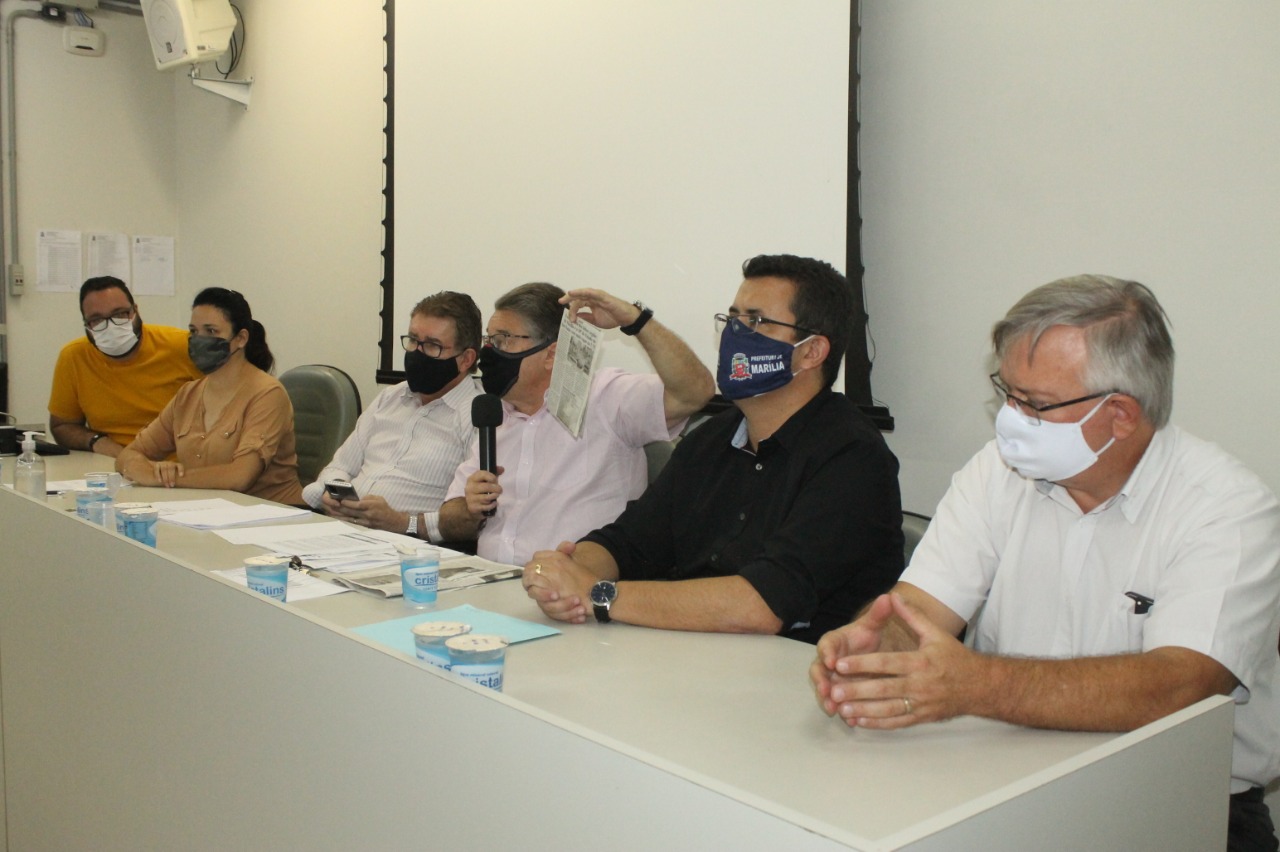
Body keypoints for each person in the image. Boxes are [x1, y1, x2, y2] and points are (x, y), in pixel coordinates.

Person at [809, 275, 1280, 850]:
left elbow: (1180, 687)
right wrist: (871, 648)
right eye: (1007, 392)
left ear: (1121, 414)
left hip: (1181, 801)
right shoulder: (997, 472)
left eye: (1035, 404)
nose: (1010, 417)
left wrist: (976, 685)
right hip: (1004, 777)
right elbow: (918, 611)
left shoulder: (1227, 509)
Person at [522, 255, 904, 643]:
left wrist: (598, 595)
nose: (735, 333)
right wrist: (566, 571)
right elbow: (630, 543)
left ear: (811, 352)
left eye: (756, 321)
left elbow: (762, 605)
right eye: (732, 319)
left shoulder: (853, 457)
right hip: (692, 653)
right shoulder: (712, 439)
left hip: (801, 668)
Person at [437, 282, 714, 566]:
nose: (488, 352)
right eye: (489, 339)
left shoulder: (606, 397)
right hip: (486, 580)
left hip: (574, 584)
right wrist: (470, 510)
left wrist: (635, 319)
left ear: (551, 354)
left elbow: (695, 392)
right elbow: (448, 522)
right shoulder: (494, 417)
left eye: (503, 339)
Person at [301, 291, 481, 541]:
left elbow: (469, 518)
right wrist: (331, 495)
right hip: (342, 530)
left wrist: (401, 522)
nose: (417, 353)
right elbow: (339, 467)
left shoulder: (478, 416)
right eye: (413, 340)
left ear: (466, 359)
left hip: (409, 546)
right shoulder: (390, 397)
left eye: (432, 345)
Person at [116, 288, 303, 505]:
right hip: (207, 509)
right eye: (193, 331)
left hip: (272, 511)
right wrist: (143, 469)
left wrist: (167, 478)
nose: (199, 340)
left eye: (211, 331)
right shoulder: (188, 394)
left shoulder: (267, 394)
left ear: (241, 338)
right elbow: (128, 455)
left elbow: (240, 476)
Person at [48, 276, 202, 457]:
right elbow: (63, 425)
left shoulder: (183, 346)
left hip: (180, 464)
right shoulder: (74, 357)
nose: (111, 326)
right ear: (86, 324)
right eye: (96, 320)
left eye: (120, 314)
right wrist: (97, 442)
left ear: (135, 310)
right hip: (112, 463)